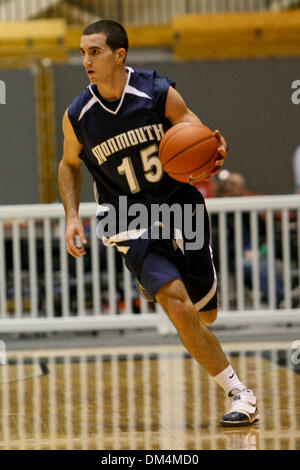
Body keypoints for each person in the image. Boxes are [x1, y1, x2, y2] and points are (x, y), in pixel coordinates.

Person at [58, 19, 259, 427]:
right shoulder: (79, 114)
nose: (86, 61)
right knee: (175, 303)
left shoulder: (156, 91)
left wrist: (215, 148)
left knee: (205, 315)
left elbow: (194, 130)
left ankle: (183, 285)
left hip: (180, 208)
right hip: (127, 218)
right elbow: (66, 164)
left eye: (94, 51)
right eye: (82, 53)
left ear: (120, 54)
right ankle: (240, 393)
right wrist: (71, 217)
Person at [215, 172, 284, 307]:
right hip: (232, 258)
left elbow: (262, 231)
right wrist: (242, 252)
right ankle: (282, 298)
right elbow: (219, 244)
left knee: (276, 265)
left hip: (253, 252)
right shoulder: (217, 210)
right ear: (229, 188)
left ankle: (279, 299)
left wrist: (260, 248)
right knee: (250, 266)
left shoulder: (247, 208)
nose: (243, 191)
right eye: (240, 187)